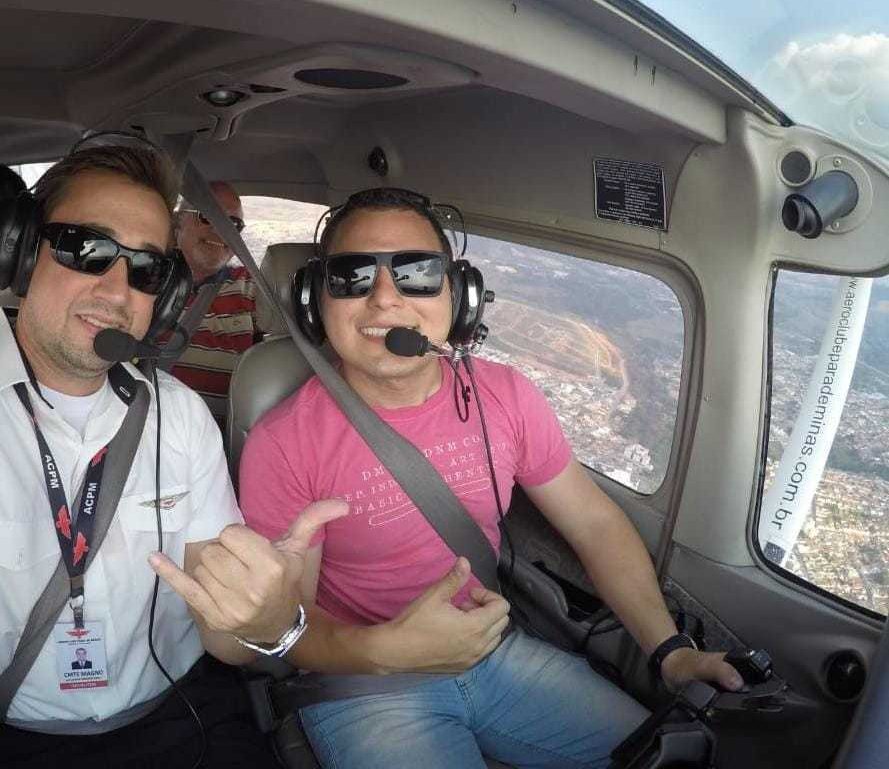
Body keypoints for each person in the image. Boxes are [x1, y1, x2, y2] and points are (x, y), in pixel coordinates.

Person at [239, 187, 745, 769]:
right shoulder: (285, 440)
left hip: (496, 652)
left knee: (670, 758)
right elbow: (290, 624)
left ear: (460, 295)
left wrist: (671, 654)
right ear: (314, 301)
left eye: (418, 273)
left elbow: (594, 523)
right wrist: (383, 650)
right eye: (352, 277)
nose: (384, 299)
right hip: (362, 681)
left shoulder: (505, 396)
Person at [0, 144, 345, 768]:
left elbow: (225, 639)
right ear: (22, 253)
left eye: (147, 270)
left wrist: (266, 623)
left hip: (178, 713)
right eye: (86, 248)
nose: (115, 290)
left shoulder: (178, 416)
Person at [169, 184, 261, 407]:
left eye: (234, 224)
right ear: (178, 220)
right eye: (208, 216)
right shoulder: (145, 276)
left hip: (223, 436)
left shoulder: (251, 286)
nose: (221, 231)